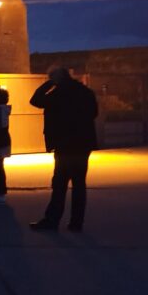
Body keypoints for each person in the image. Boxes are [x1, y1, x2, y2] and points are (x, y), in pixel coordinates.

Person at [29, 67, 98, 232]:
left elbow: (36, 100)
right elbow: (94, 113)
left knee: (60, 183)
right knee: (79, 183)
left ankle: (52, 219)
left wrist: (48, 84)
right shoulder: (86, 92)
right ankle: (76, 222)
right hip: (83, 144)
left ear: (56, 79)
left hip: (65, 145)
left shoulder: (59, 93)